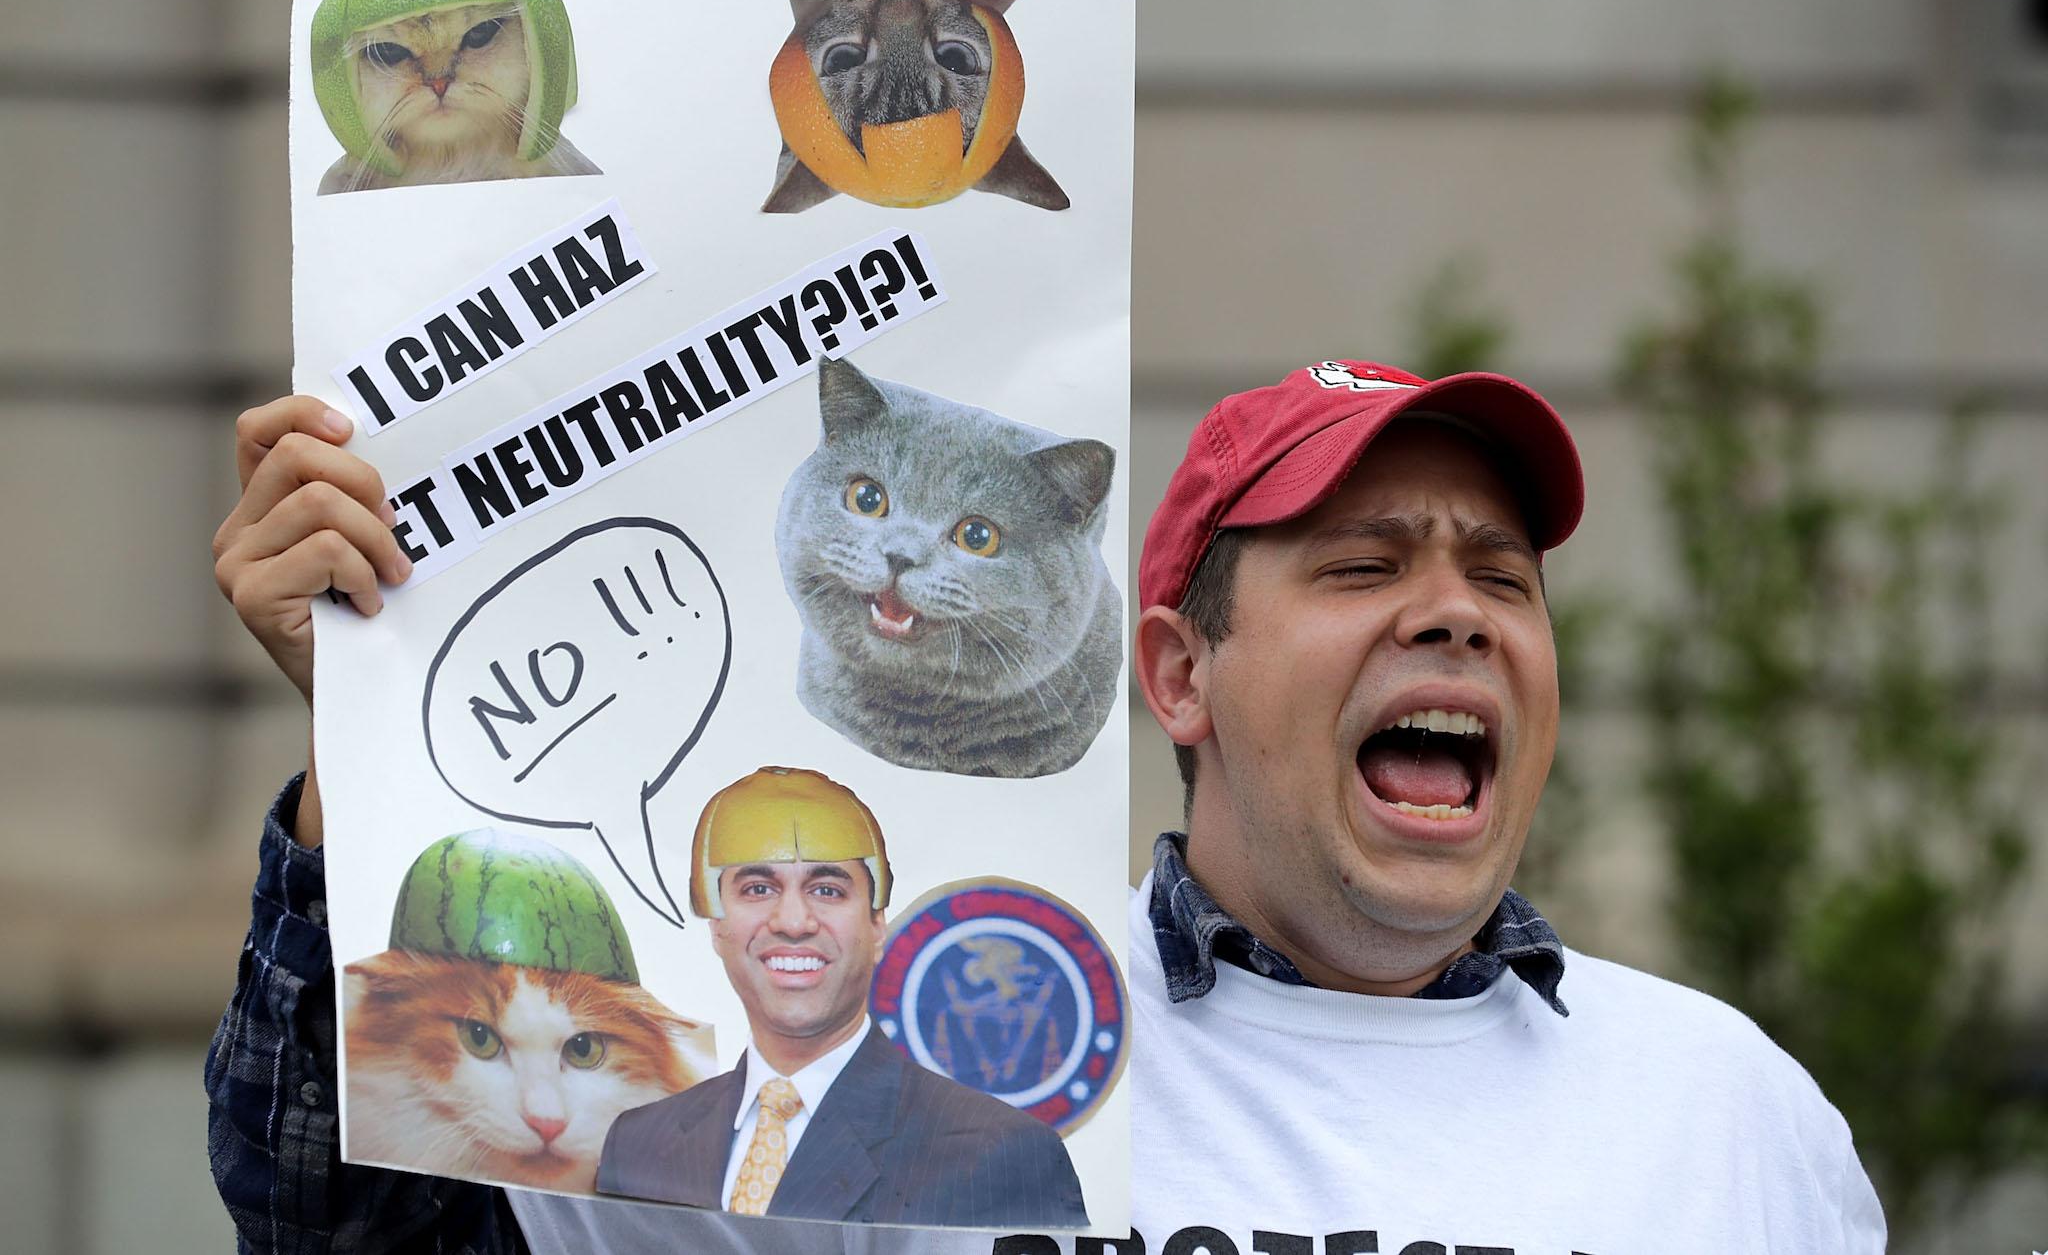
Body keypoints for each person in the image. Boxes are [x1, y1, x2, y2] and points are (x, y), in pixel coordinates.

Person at [208, 360, 1887, 1253]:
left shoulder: (1732, 1113)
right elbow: (357, 1234)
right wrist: (380, 744)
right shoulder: (893, 1052)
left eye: (1499, 579)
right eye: (1362, 565)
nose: (1451, 611)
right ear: (1176, 675)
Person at [594, 766, 1088, 1226]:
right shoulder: (635, 1144)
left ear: (877, 926)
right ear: (717, 926)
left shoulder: (1004, 1155)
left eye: (827, 890)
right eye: (758, 888)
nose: (792, 922)